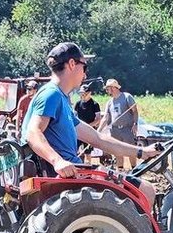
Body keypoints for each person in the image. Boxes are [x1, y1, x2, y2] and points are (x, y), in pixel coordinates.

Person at [23, 43, 156, 178]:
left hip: (75, 171)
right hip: (69, 176)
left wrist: (141, 152)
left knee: (141, 187)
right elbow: (33, 132)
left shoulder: (61, 100)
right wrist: (57, 161)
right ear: (72, 64)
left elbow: (98, 139)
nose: (85, 74)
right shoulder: (51, 95)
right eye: (84, 67)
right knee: (146, 191)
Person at [100, 78, 140, 170]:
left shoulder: (127, 97)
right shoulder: (109, 102)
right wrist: (99, 130)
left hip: (127, 129)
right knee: (117, 152)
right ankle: (120, 171)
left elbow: (135, 111)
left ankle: (134, 171)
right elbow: (106, 117)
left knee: (131, 151)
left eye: (108, 88)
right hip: (114, 130)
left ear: (114, 88)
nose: (107, 91)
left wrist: (135, 123)